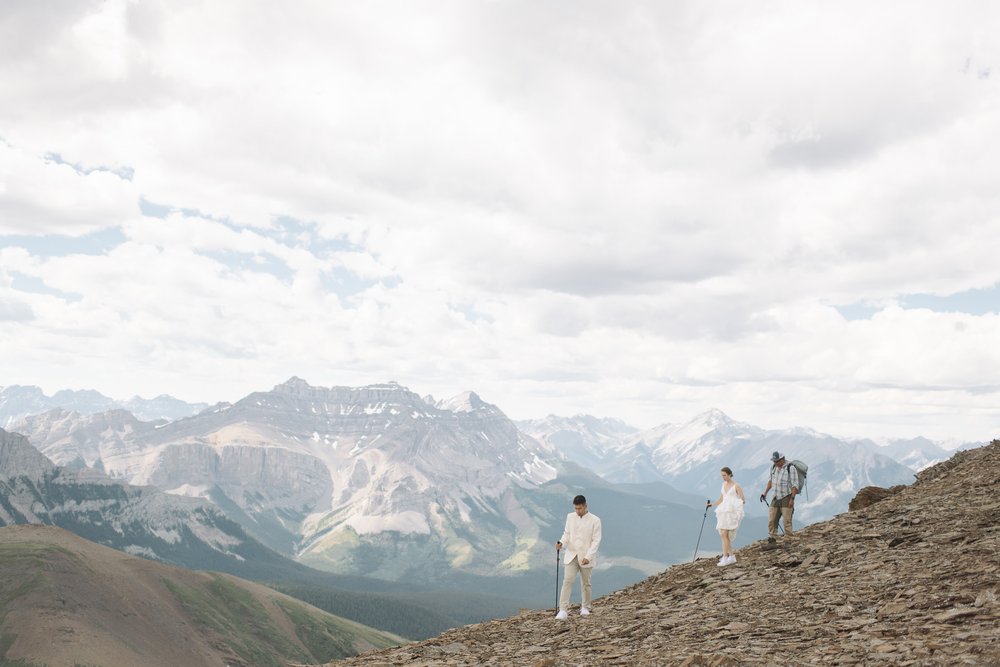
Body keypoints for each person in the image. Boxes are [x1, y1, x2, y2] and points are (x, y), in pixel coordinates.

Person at [554, 494, 602, 619]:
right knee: (567, 581)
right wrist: (561, 543)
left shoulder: (595, 520)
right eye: (576, 508)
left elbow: (596, 541)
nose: (577, 511)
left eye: (580, 508)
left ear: (585, 506)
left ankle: (585, 607)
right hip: (571, 555)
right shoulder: (570, 517)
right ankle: (563, 610)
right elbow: (567, 534)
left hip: (586, 557)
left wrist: (589, 556)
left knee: (586, 583)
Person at [760, 451, 800, 545]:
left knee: (787, 520)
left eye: (777, 461)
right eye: (774, 461)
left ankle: (788, 540)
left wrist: (792, 499)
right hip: (775, 496)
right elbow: (771, 481)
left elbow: (795, 484)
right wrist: (765, 493)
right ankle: (772, 539)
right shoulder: (773, 468)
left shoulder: (791, 468)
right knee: (772, 519)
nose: (775, 463)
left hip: (787, 496)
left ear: (782, 459)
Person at [709, 467, 745, 566]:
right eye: (722, 475)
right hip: (723, 511)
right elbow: (721, 499)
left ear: (729, 474)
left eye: (724, 475)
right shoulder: (723, 485)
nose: (723, 477)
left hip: (731, 512)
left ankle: (725, 558)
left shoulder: (736, 486)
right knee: (723, 535)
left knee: (724, 534)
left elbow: (743, 499)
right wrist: (712, 505)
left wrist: (734, 504)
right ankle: (731, 557)